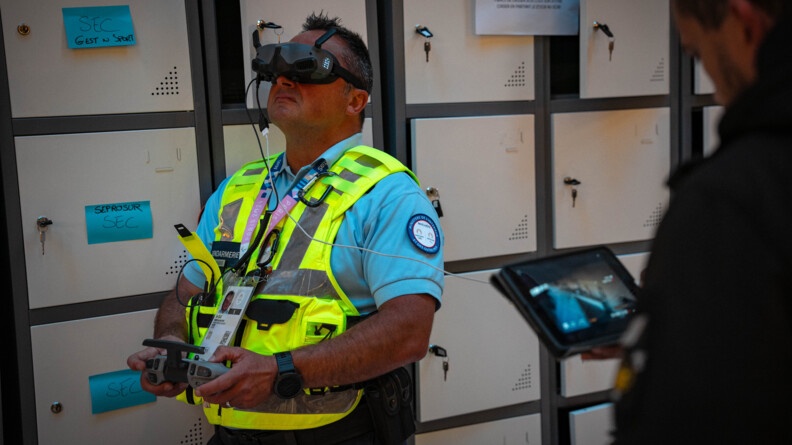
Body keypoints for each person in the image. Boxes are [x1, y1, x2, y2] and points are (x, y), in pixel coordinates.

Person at [128, 12, 444, 445]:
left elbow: (409, 331)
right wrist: (170, 343)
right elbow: (184, 295)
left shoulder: (386, 193)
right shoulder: (237, 189)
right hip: (232, 432)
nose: (284, 80)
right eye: (277, 70)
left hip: (340, 434)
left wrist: (281, 370)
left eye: (308, 68)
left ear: (355, 101)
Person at [611, 0, 792, 443]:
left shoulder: (731, 199)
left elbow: (678, 419)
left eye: (699, 54)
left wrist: (666, 345)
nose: (713, 89)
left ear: (744, 25)